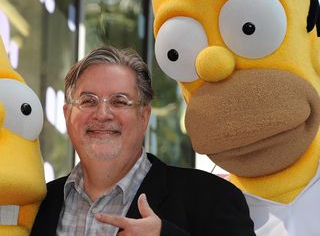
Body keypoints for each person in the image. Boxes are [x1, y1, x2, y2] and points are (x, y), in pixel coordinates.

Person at [31, 46, 255, 236]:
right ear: (67, 114)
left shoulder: (213, 198)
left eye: (120, 101)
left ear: (144, 116)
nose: (102, 114)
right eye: (88, 101)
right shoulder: (38, 205)